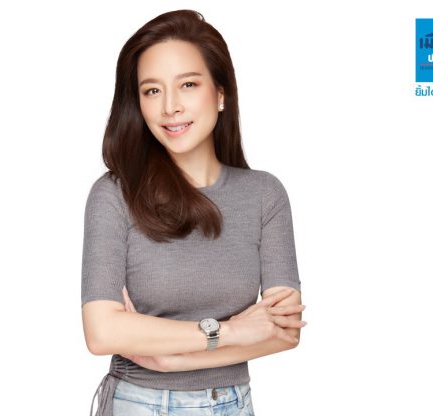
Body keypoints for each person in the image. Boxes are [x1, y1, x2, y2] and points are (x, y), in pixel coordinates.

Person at [81, 9, 306, 416]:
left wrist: (173, 360)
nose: (170, 106)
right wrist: (230, 331)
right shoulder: (115, 195)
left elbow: (285, 331)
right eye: (152, 90)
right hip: (141, 404)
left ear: (220, 93)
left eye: (188, 84)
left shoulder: (264, 194)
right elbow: (102, 331)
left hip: (234, 405)